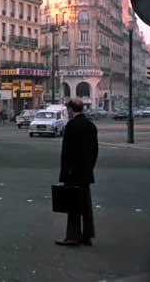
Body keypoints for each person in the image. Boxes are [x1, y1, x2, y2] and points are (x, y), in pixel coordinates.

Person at [56, 97, 99, 246]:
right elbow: (95, 151)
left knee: (73, 206)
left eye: (68, 108)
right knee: (86, 205)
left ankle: (73, 236)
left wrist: (65, 172)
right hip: (86, 172)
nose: (67, 111)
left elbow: (66, 152)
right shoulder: (91, 126)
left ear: (72, 109)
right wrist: (89, 167)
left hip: (72, 172)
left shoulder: (71, 126)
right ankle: (87, 235)